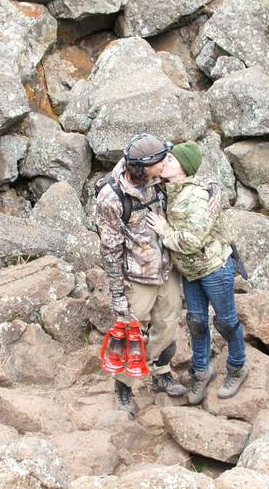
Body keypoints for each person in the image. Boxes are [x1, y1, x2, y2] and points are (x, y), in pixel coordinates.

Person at [95, 133, 219, 416]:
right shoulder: (111, 197)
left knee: (167, 323)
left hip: (167, 268)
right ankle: (123, 386)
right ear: (142, 167)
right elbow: (110, 250)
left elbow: (194, 173)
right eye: (161, 161)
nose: (167, 164)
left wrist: (215, 189)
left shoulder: (158, 176)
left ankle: (161, 373)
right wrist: (118, 296)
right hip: (137, 276)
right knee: (131, 332)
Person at [146, 142, 248, 404]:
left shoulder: (197, 196)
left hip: (214, 268)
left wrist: (163, 230)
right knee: (197, 323)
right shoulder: (168, 189)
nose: (164, 162)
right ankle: (202, 372)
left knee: (225, 321)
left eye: (170, 159)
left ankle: (238, 367)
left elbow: (193, 240)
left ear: (184, 167)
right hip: (190, 271)